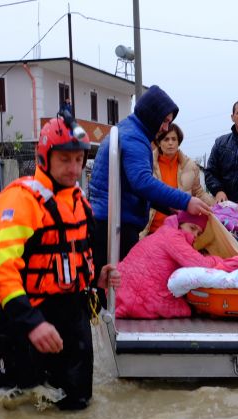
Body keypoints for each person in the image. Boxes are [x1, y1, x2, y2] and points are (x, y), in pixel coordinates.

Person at [0, 112, 119, 412]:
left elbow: (77, 256)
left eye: (79, 160)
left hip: (71, 316)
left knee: (78, 406)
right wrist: (33, 324)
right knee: (20, 409)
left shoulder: (79, 201)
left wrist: (98, 278)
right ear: (45, 157)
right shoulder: (18, 201)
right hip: (26, 315)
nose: (74, 169)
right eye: (65, 160)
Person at [88, 85, 212, 295]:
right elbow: (142, 182)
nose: (166, 128)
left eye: (169, 123)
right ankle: (108, 325)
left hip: (109, 220)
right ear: (152, 115)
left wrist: (169, 207)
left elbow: (131, 185)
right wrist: (185, 201)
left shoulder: (128, 131)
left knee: (110, 287)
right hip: (116, 226)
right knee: (116, 289)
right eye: (164, 121)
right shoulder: (135, 139)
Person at [115, 212, 238, 319]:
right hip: (143, 302)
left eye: (199, 232)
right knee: (194, 309)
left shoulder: (161, 234)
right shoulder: (173, 237)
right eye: (192, 228)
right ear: (180, 223)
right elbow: (201, 266)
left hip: (123, 296)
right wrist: (228, 260)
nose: (195, 235)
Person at [144, 123, 214, 235]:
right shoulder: (146, 163)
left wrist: (217, 206)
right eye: (166, 139)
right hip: (150, 229)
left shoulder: (190, 166)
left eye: (174, 139)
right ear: (159, 142)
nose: (170, 143)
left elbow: (199, 193)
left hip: (178, 229)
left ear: (178, 142)